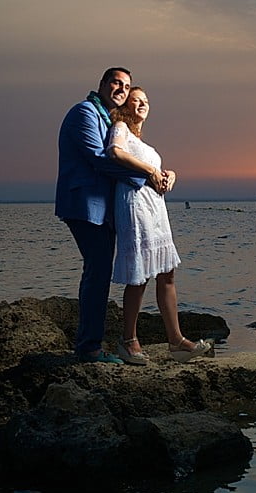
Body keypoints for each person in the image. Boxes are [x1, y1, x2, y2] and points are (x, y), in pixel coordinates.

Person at [55, 67, 165, 364]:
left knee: (99, 272)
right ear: (102, 84)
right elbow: (99, 158)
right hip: (84, 205)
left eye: (126, 86)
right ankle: (89, 348)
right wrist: (147, 177)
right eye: (116, 82)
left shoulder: (110, 119)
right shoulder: (85, 113)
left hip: (104, 209)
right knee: (98, 271)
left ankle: (91, 344)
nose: (121, 88)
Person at [106, 87, 212, 364]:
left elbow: (149, 168)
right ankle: (128, 340)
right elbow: (114, 153)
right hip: (135, 205)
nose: (141, 104)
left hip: (156, 208)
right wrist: (151, 171)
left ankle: (176, 341)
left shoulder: (142, 142)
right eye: (135, 100)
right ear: (125, 106)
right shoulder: (120, 128)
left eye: (145, 101)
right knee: (139, 274)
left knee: (167, 272)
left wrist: (169, 174)